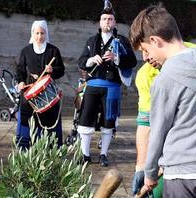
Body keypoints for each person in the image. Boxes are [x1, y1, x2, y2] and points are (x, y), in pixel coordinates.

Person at [130, 4, 196, 198]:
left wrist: (149, 173)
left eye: (145, 50)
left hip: (182, 177)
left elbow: (158, 130)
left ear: (155, 40)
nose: (146, 57)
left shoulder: (165, 78)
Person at [77, 5, 137, 166]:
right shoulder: (91, 40)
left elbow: (132, 61)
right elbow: (81, 62)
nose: (107, 22)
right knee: (85, 119)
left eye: (110, 19)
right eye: (104, 19)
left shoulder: (122, 41)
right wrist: (91, 60)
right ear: (100, 22)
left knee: (108, 121)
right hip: (92, 85)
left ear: (115, 22)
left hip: (112, 87)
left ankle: (103, 154)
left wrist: (117, 58)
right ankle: (85, 155)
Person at [16, 20, 65, 149]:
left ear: (46, 33)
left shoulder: (53, 50)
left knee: (49, 120)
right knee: (28, 119)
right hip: (30, 89)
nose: (39, 36)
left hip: (48, 91)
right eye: (37, 33)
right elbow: (20, 69)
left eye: (42, 33)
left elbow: (61, 70)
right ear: (33, 33)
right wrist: (20, 81)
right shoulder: (26, 51)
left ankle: (51, 148)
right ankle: (25, 147)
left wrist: (52, 70)